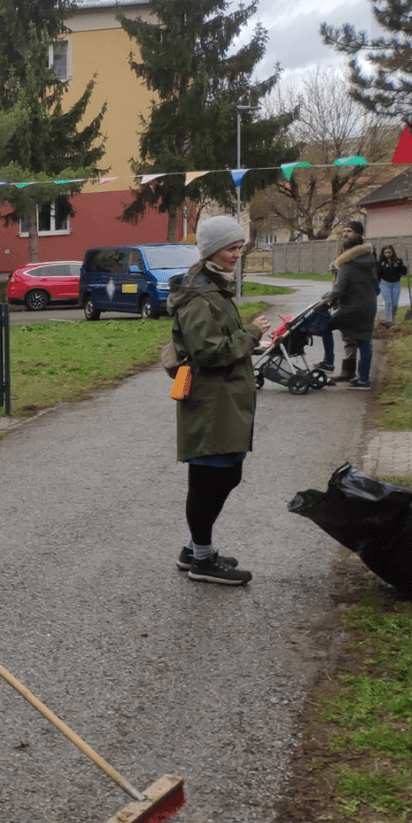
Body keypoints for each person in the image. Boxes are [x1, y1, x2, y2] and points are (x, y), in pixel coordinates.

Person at [167, 216, 271, 586]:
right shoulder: (201, 295)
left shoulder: (212, 286)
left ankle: (198, 549)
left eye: (240, 248)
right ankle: (202, 558)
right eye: (231, 248)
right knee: (212, 478)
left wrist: (250, 336)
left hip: (222, 401)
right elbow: (209, 352)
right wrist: (253, 334)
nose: (237, 255)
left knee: (223, 475)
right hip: (211, 404)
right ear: (212, 250)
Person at [323, 222, 379, 389]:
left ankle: (328, 362)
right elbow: (377, 286)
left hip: (350, 308)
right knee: (363, 341)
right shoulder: (370, 261)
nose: (345, 233)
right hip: (369, 307)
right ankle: (363, 379)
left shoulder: (347, 265)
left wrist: (327, 297)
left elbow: (338, 290)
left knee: (325, 326)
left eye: (349, 231)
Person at [376, 244, 407, 325]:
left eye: (389, 252)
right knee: (388, 302)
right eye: (386, 252)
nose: (388, 254)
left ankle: (393, 318)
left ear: (393, 252)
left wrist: (406, 267)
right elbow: (378, 275)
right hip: (385, 283)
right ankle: (388, 320)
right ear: (383, 253)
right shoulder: (380, 263)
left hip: (396, 284)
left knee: (395, 303)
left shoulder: (398, 261)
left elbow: (403, 273)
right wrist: (376, 286)